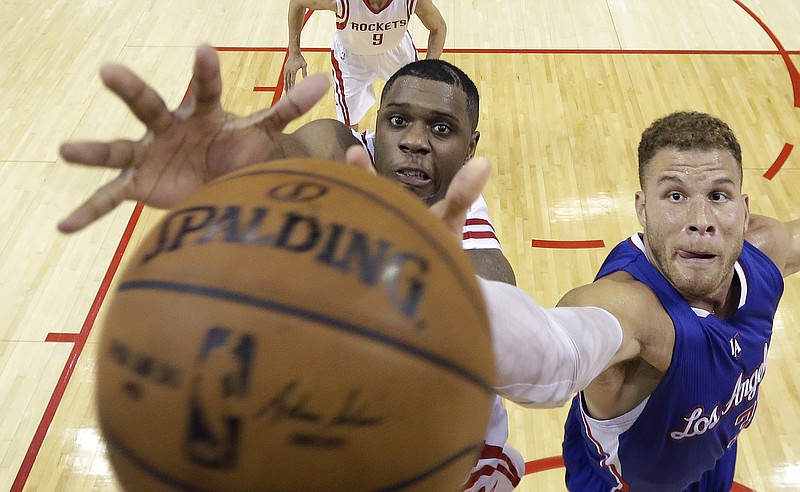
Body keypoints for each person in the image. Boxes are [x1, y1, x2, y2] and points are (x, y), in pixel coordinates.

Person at [58, 45, 530, 491]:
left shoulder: (474, 247)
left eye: (441, 129)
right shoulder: (337, 148)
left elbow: (488, 308)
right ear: (378, 124)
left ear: (472, 146)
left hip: (443, 451)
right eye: (398, 121)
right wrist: (221, 160)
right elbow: (286, 154)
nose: (413, 142)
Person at [554, 111, 800, 491]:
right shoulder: (629, 306)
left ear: (745, 209)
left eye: (718, 195)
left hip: (712, 463)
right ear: (641, 209)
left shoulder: (765, 252)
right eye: (675, 195)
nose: (701, 219)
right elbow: (563, 336)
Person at [283, 0, 447, 130]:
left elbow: (439, 27)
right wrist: (294, 53)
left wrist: (430, 69)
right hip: (352, 59)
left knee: (417, 107)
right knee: (348, 124)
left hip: (396, 53)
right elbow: (298, 2)